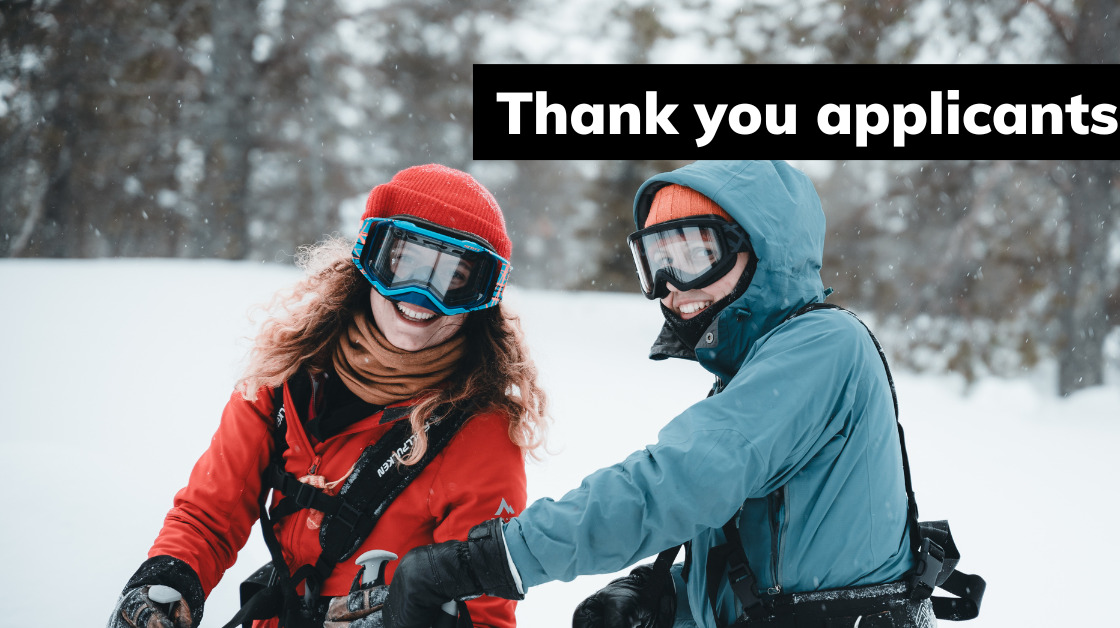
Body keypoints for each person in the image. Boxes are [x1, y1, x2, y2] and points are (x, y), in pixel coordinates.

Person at [379, 160, 950, 628]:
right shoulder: (755, 370)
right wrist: (666, 597)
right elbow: (762, 558)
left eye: (697, 255)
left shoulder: (824, 345)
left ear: (764, 248)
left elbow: (680, 482)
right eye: (658, 261)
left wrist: (494, 558)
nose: (673, 288)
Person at [107, 164, 549, 628]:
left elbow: (482, 615)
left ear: (481, 296)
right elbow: (210, 514)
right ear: (372, 258)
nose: (421, 296)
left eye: (453, 277)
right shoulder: (287, 376)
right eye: (405, 263)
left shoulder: (482, 434)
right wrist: (170, 578)